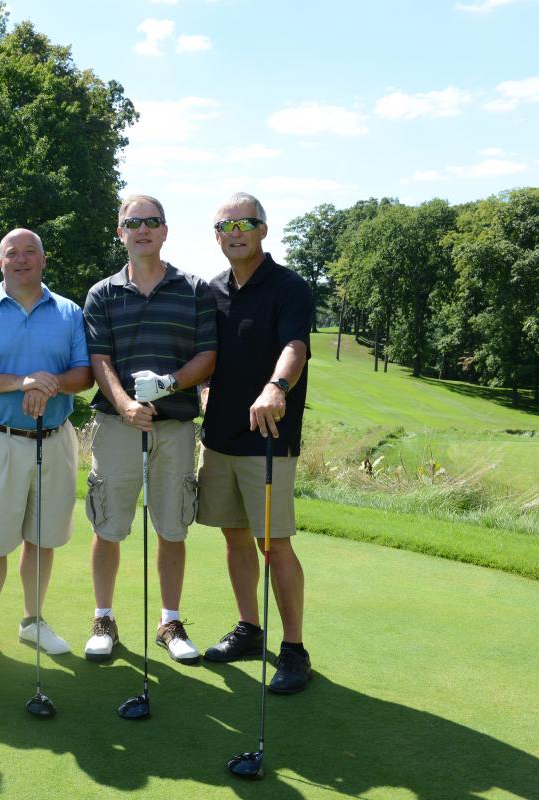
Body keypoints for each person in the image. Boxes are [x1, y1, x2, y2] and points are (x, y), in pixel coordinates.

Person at [81, 195, 217, 663]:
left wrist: (168, 384)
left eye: (152, 222)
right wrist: (125, 403)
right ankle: (103, 618)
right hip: (118, 425)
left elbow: (207, 356)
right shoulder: (102, 293)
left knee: (172, 527)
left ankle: (169, 621)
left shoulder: (194, 289)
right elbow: (99, 359)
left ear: (165, 230)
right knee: (108, 526)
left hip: (175, 426)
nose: (143, 229)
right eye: (133, 222)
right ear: (120, 232)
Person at [0, 228, 93, 665]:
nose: (22, 259)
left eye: (31, 252)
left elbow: (84, 374)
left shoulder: (68, 312)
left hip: (56, 439)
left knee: (43, 538)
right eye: (13, 253)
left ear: (43, 260)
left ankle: (33, 621)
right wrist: (22, 382)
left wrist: (47, 386)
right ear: (1, 262)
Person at [197, 192, 313, 694]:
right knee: (234, 535)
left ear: (263, 230)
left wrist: (275, 387)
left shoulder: (289, 287)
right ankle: (249, 627)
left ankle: (294, 649)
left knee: (274, 544)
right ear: (217, 236)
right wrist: (203, 390)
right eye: (225, 226)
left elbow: (295, 347)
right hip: (219, 436)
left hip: (268, 438)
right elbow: (206, 355)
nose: (235, 233)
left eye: (245, 224)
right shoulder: (212, 290)